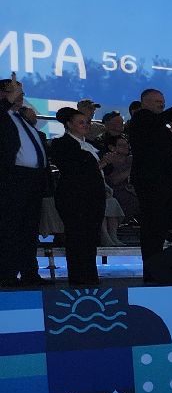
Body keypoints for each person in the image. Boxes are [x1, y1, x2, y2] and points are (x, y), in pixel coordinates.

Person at [127, 87, 172, 278]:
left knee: (159, 226)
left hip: (164, 181)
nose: (162, 104)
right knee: (152, 226)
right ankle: (151, 269)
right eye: (158, 101)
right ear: (145, 102)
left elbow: (167, 147)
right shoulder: (142, 118)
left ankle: (157, 265)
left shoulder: (160, 127)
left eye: (163, 100)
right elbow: (161, 121)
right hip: (150, 182)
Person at [0, 77, 52, 285]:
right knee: (11, 227)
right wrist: (7, 100)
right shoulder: (3, 116)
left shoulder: (19, 118)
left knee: (29, 230)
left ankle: (30, 273)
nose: (21, 97)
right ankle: (7, 274)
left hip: (32, 181)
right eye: (15, 92)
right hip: (12, 179)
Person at [49, 107, 107, 285]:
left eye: (87, 122)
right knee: (77, 237)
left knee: (90, 238)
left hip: (94, 197)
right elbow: (75, 168)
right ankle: (78, 278)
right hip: (74, 198)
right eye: (81, 122)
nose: (86, 125)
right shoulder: (62, 144)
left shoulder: (93, 145)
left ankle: (90, 276)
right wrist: (101, 163)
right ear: (69, 124)